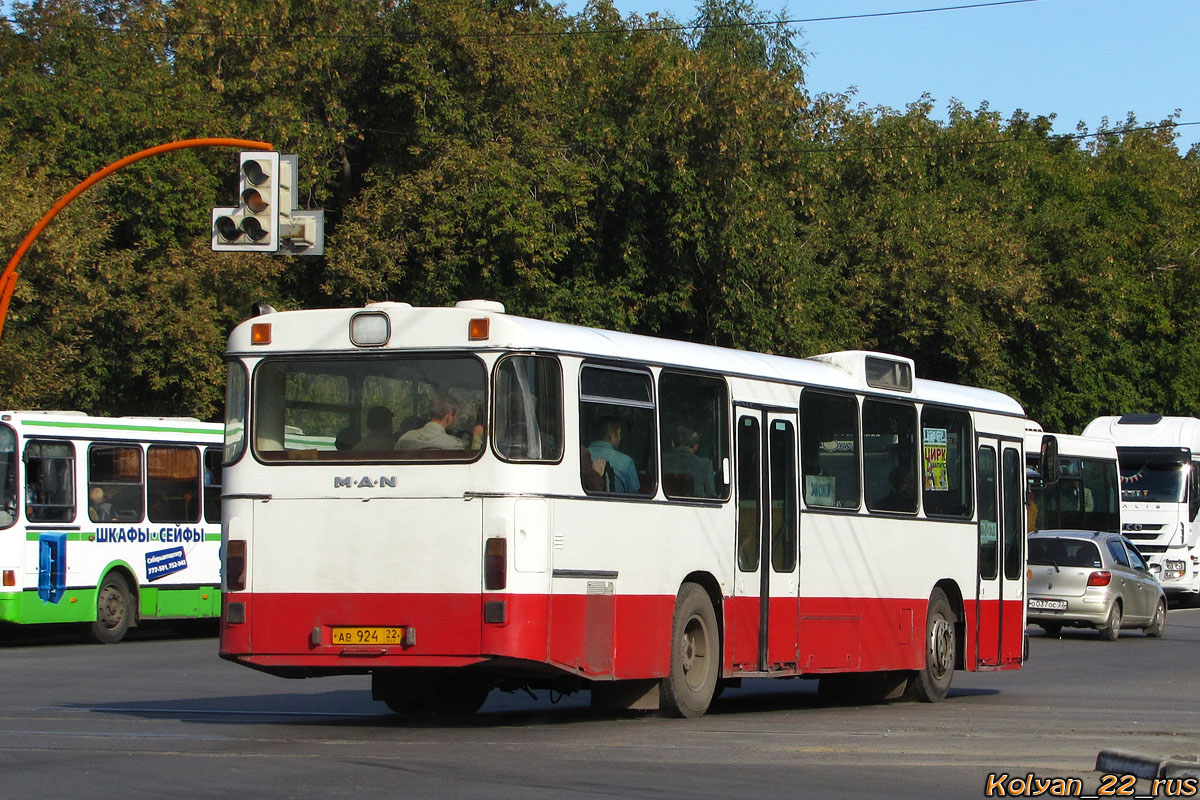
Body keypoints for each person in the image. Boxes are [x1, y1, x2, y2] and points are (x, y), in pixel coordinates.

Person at [396, 394, 482, 451]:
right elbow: (474, 462)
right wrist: (477, 437)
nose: (455, 418)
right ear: (448, 417)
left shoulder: (405, 439)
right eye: (455, 415)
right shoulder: (456, 445)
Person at [586, 416, 639, 493]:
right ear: (611, 436)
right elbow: (635, 497)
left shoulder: (580, 457)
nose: (620, 439)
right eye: (619, 434)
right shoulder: (626, 462)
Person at [660, 425, 715, 497]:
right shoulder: (705, 465)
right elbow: (711, 496)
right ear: (696, 446)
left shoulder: (656, 463)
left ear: (673, 444)